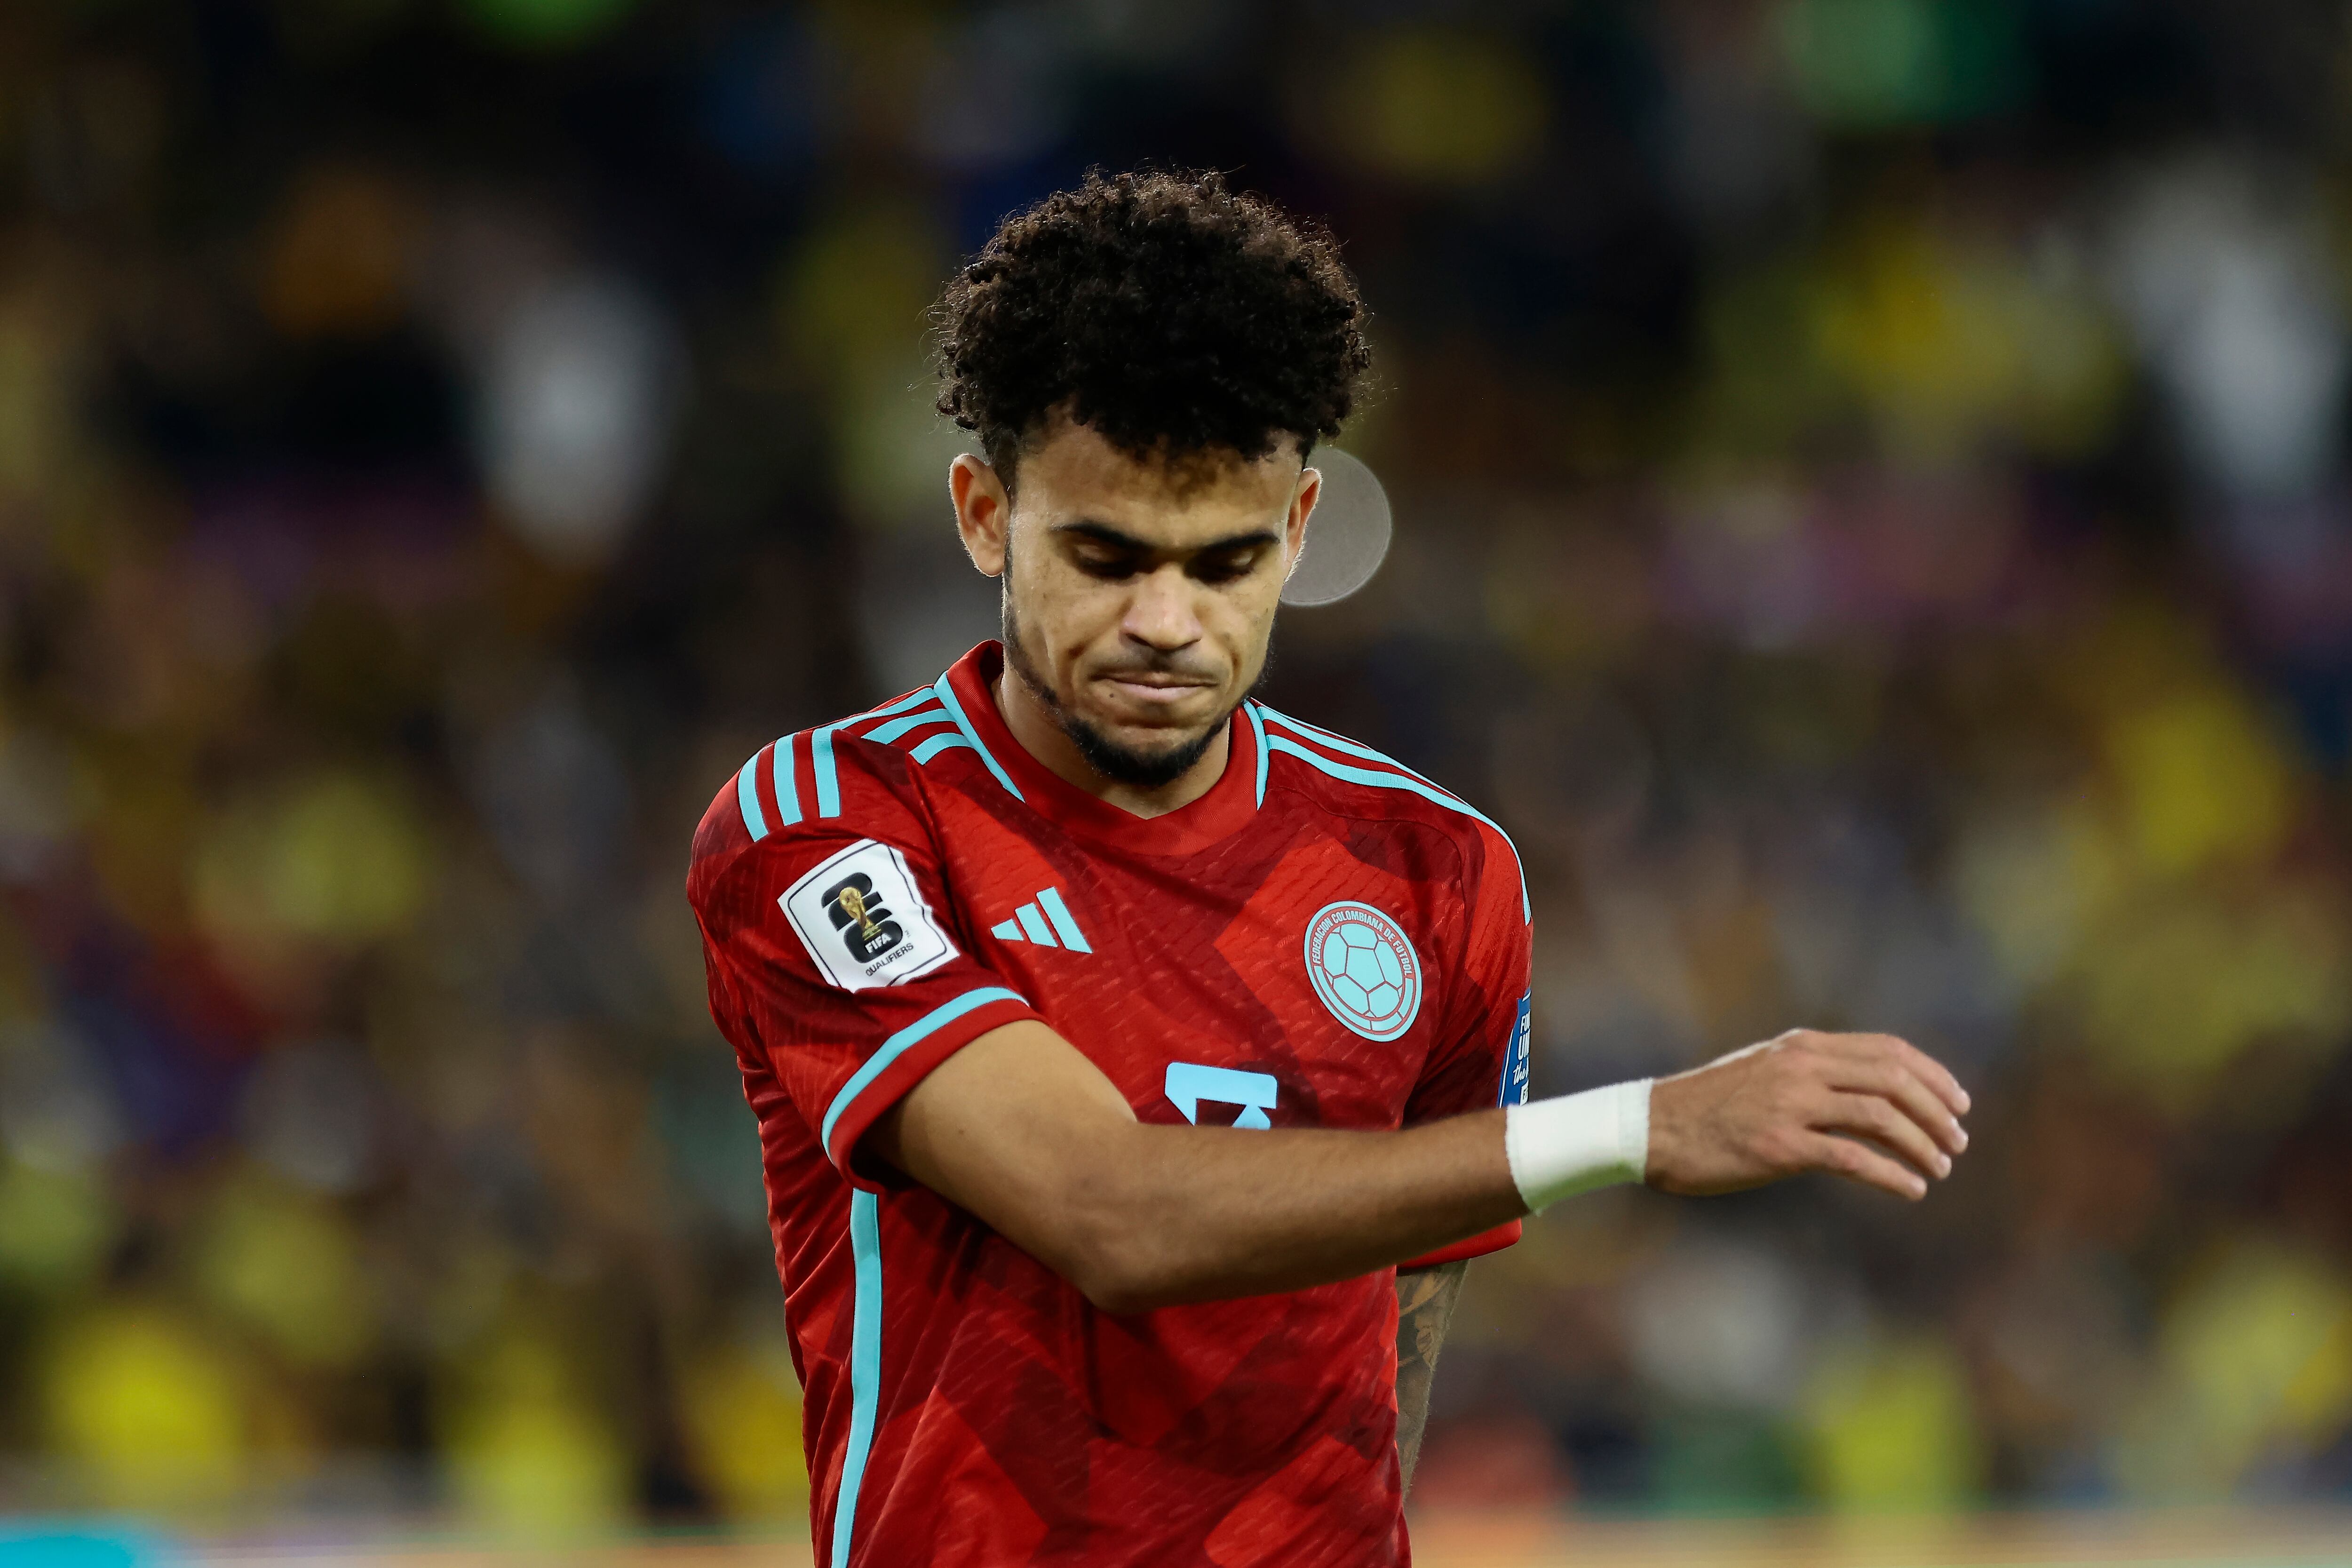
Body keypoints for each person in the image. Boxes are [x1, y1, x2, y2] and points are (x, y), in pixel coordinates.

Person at [686, 169, 1971, 1568]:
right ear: (985, 515)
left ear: (1300, 530)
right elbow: (1107, 1214)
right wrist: (1641, 1129)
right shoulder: (836, 826)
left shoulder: (1437, 871)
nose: (1168, 622)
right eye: (1106, 558)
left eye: (1227, 563)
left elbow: (1392, 1348)